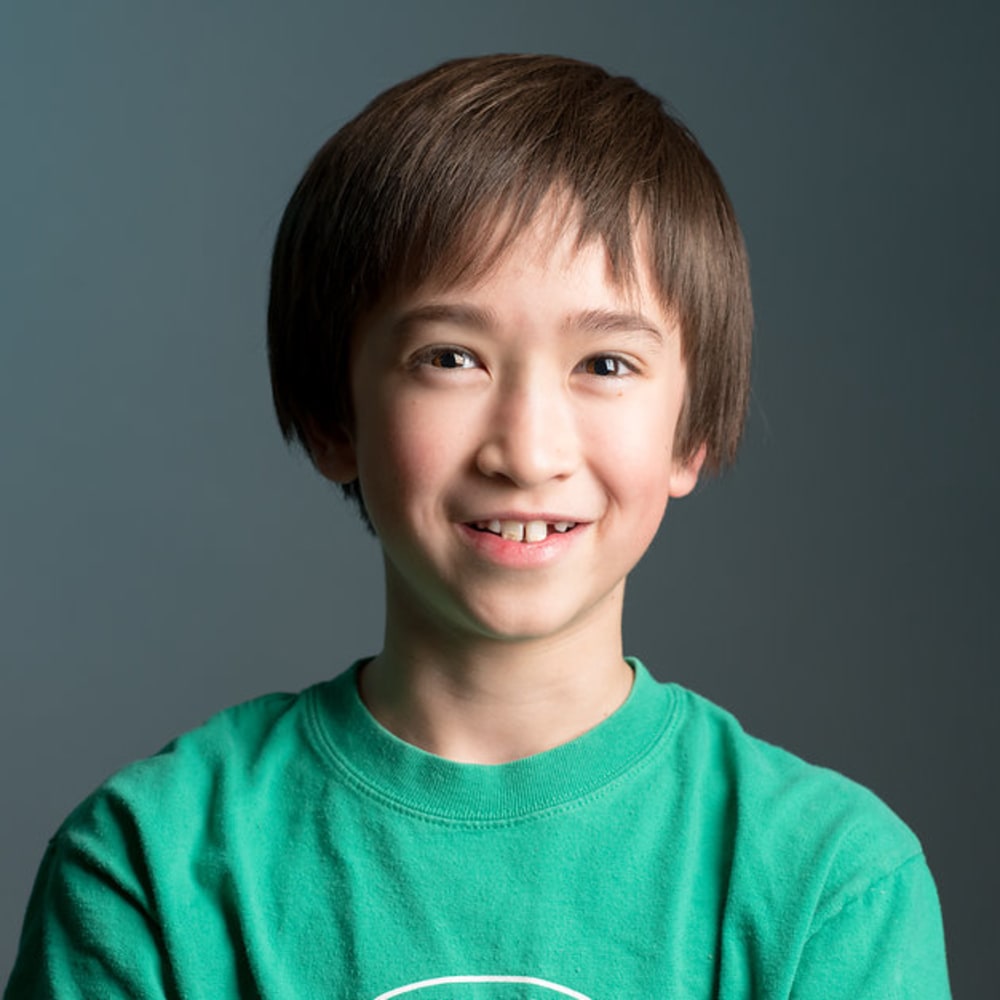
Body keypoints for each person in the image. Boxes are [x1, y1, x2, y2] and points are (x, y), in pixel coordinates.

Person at [6, 54, 950, 998]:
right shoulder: (150, 869)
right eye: (451, 358)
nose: (528, 451)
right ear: (336, 418)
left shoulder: (830, 883)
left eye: (607, 365)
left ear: (691, 433)